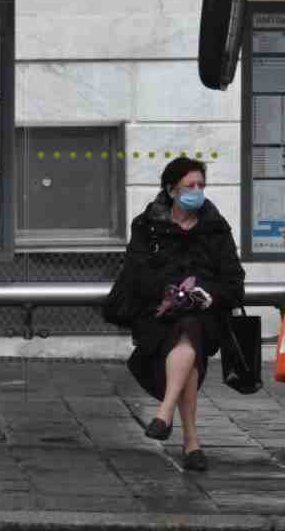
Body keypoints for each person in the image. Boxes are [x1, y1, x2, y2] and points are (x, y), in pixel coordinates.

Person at [115, 158, 245, 472]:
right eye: (191, 186)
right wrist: (170, 290)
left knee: (190, 328)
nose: (197, 191)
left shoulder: (215, 226)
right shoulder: (147, 225)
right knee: (189, 349)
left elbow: (233, 279)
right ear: (172, 190)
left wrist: (206, 293)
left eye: (201, 185)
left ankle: (165, 413)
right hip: (157, 312)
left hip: (204, 312)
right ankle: (191, 442)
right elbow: (136, 273)